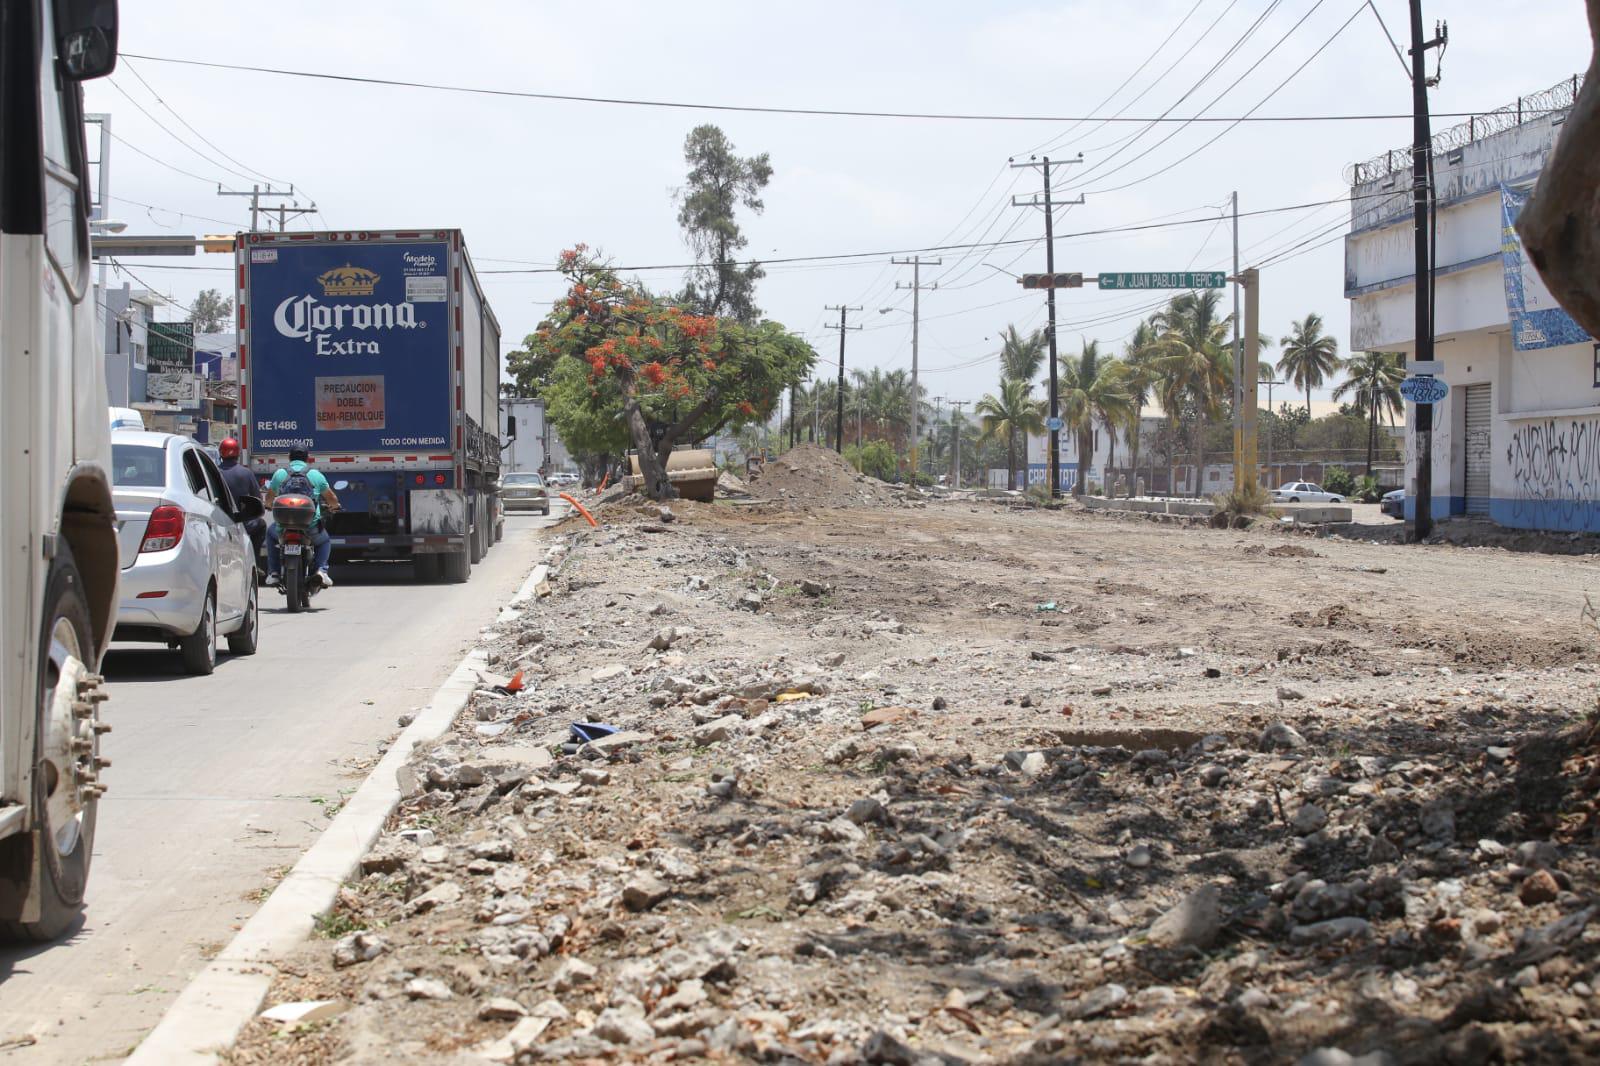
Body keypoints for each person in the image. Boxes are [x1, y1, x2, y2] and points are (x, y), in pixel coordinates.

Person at [263, 448, 340, 589]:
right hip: (310, 526)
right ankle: (321, 570)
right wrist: (334, 506)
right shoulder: (315, 475)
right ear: (308, 458)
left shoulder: (280, 474)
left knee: (270, 534)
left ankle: (273, 572)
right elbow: (331, 498)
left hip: (283, 526)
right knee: (324, 541)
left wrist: (267, 505)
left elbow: (269, 497)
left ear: (289, 457)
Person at [216, 438, 265, 569]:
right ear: (237, 453)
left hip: (219, 521)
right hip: (242, 523)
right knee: (261, 525)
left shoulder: (215, 473)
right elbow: (257, 498)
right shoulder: (246, 473)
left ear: (221, 453)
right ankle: (255, 562)